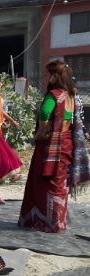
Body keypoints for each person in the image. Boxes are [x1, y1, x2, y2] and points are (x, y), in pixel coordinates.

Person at [19, 60, 89, 233]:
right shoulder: (72, 95)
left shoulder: (54, 95)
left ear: (56, 76)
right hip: (67, 143)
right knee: (60, 181)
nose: (46, 77)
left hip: (50, 144)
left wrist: (41, 131)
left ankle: (46, 221)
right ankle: (59, 221)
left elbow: (45, 112)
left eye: (48, 74)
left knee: (44, 181)